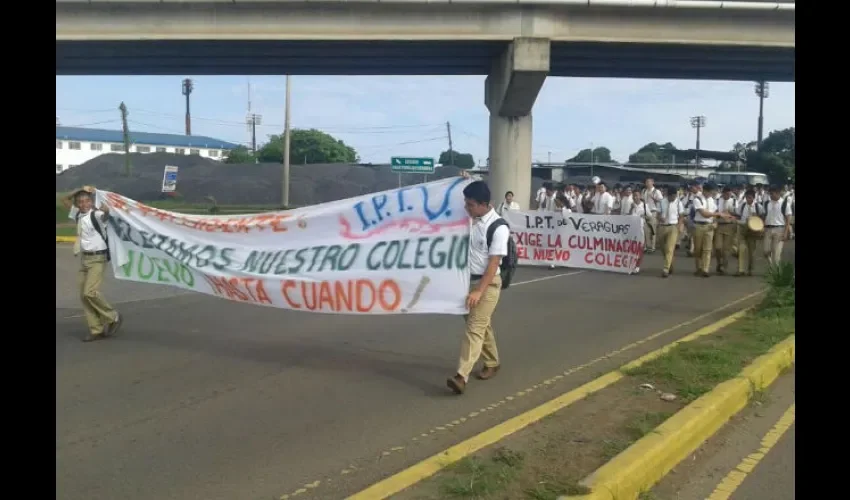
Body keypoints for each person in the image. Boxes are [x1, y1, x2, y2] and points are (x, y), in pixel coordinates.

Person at [447, 177, 509, 395]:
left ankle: (461, 376)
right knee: (482, 325)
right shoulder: (469, 220)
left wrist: (478, 291)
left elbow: (493, 264)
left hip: (487, 283)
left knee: (474, 328)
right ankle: (492, 362)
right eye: (466, 203)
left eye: (471, 204)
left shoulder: (498, 227)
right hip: (467, 280)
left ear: (484, 204)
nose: (467, 208)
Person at [64, 186, 123, 342]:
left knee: (90, 292)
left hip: (98, 258)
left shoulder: (95, 214)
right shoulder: (78, 214)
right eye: (80, 202)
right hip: (85, 258)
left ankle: (113, 316)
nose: (84, 204)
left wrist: (106, 210)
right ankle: (96, 329)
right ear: (77, 204)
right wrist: (79, 189)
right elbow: (64, 199)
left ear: (91, 202)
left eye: (86, 201)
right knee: (84, 296)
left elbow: (105, 215)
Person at [656, 186, 685, 278]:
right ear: (668, 195)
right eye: (672, 196)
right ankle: (670, 264)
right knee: (663, 249)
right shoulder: (661, 202)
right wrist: (660, 218)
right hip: (662, 226)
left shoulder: (678, 202)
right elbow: (658, 214)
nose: (674, 198)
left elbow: (681, 215)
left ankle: (666, 269)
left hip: (673, 227)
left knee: (670, 248)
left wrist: (679, 225)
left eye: (675, 196)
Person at [763, 185, 793, 267]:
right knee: (766, 251)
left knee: (776, 253)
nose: (771, 195)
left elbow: (788, 219)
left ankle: (776, 271)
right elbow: (764, 216)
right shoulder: (767, 203)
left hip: (780, 229)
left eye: (772, 194)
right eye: (770, 194)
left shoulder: (784, 204)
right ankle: (772, 265)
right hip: (768, 229)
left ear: (778, 193)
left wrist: (786, 232)